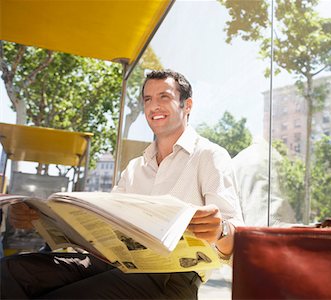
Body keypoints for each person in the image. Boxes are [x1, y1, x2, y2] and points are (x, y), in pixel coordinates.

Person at [1, 69, 243, 299]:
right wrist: (39, 219)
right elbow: (103, 226)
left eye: (164, 97)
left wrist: (220, 230)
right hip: (110, 264)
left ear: (187, 105)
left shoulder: (209, 156)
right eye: (147, 99)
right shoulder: (135, 168)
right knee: (9, 273)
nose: (153, 106)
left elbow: (237, 242)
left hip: (172, 278)